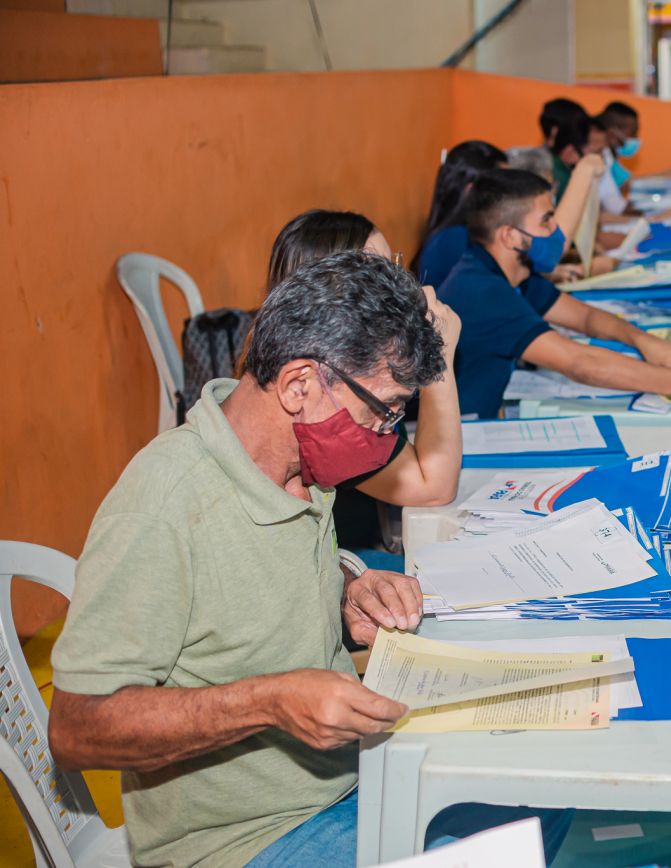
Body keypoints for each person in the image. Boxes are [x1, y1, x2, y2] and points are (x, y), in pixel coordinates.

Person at [47, 252, 566, 866]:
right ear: (299, 385)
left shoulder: (302, 464)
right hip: (247, 837)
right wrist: (268, 702)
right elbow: (76, 729)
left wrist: (351, 584)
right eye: (383, 412)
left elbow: (254, 578)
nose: (386, 436)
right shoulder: (163, 505)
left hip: (350, 773)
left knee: (551, 790)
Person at [437, 169, 671, 419]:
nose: (556, 231)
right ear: (510, 237)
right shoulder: (483, 291)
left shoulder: (506, 272)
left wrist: (644, 341)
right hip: (467, 436)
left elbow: (586, 317)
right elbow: (580, 363)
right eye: (546, 221)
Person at [263, 210, 463, 550]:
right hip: (351, 555)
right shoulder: (327, 393)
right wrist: (437, 353)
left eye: (394, 267)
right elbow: (434, 487)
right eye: (378, 275)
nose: (399, 288)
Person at [417, 139, 603, 289]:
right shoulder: (455, 238)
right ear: (472, 191)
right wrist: (584, 171)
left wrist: (552, 274)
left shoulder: (459, 235)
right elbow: (553, 249)